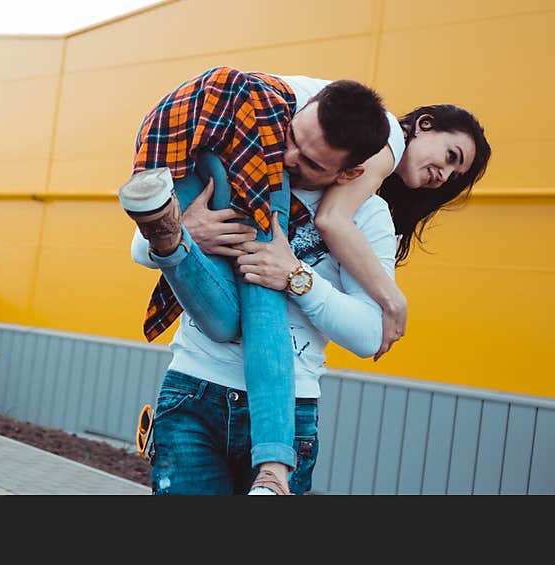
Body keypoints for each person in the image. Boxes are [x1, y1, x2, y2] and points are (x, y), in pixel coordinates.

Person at [120, 67, 491, 494]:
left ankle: (272, 470)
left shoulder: (370, 218)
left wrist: (296, 276)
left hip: (290, 403)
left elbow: (371, 336)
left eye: (313, 162)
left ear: (351, 172)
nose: (289, 158)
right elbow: (140, 249)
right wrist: (189, 229)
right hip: (193, 388)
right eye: (292, 139)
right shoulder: (244, 165)